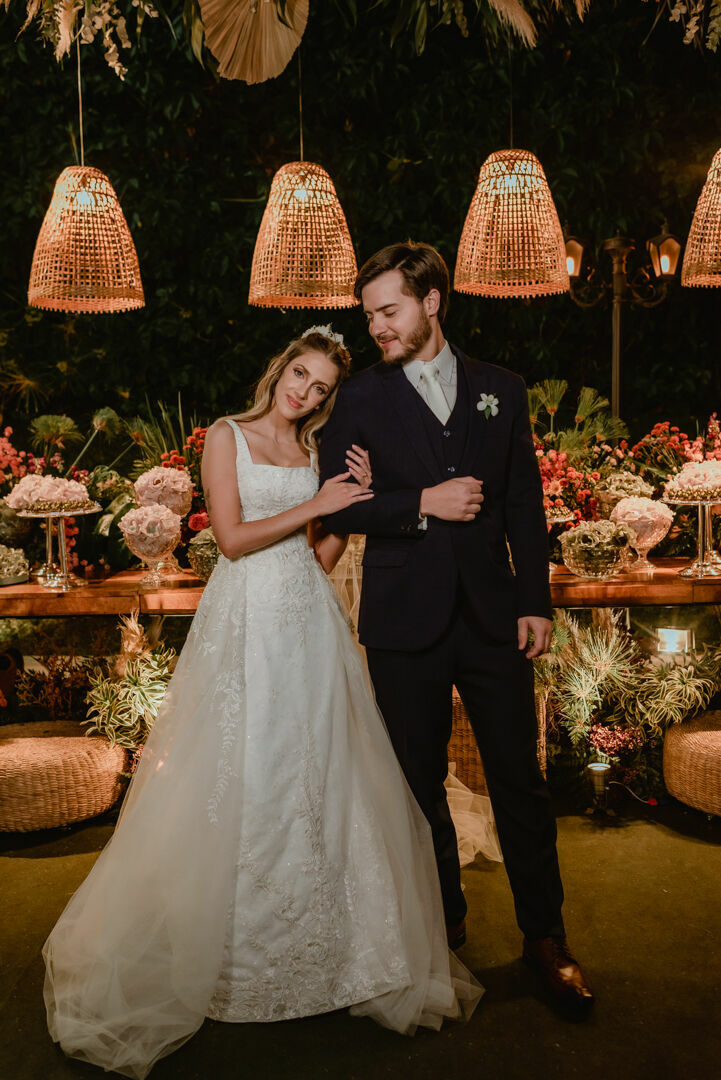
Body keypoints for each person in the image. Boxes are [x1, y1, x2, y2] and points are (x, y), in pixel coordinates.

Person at [42, 327, 481, 1080]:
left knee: (320, 767)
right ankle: (236, 945)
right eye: (299, 377)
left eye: (318, 390)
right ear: (280, 369)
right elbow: (235, 538)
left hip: (308, 618)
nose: (304, 394)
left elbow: (322, 547)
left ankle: (333, 944)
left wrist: (346, 505)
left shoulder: (316, 452)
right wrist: (319, 500)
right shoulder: (228, 436)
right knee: (245, 765)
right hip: (244, 619)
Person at [318, 243, 594, 1012]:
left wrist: (534, 601)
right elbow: (334, 500)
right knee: (415, 786)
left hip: (493, 618)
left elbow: (522, 505)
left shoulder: (501, 390)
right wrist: (418, 505)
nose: (375, 326)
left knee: (520, 784)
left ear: (431, 301)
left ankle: (546, 939)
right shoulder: (359, 397)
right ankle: (441, 930)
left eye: (388, 310)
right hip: (402, 622)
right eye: (369, 313)